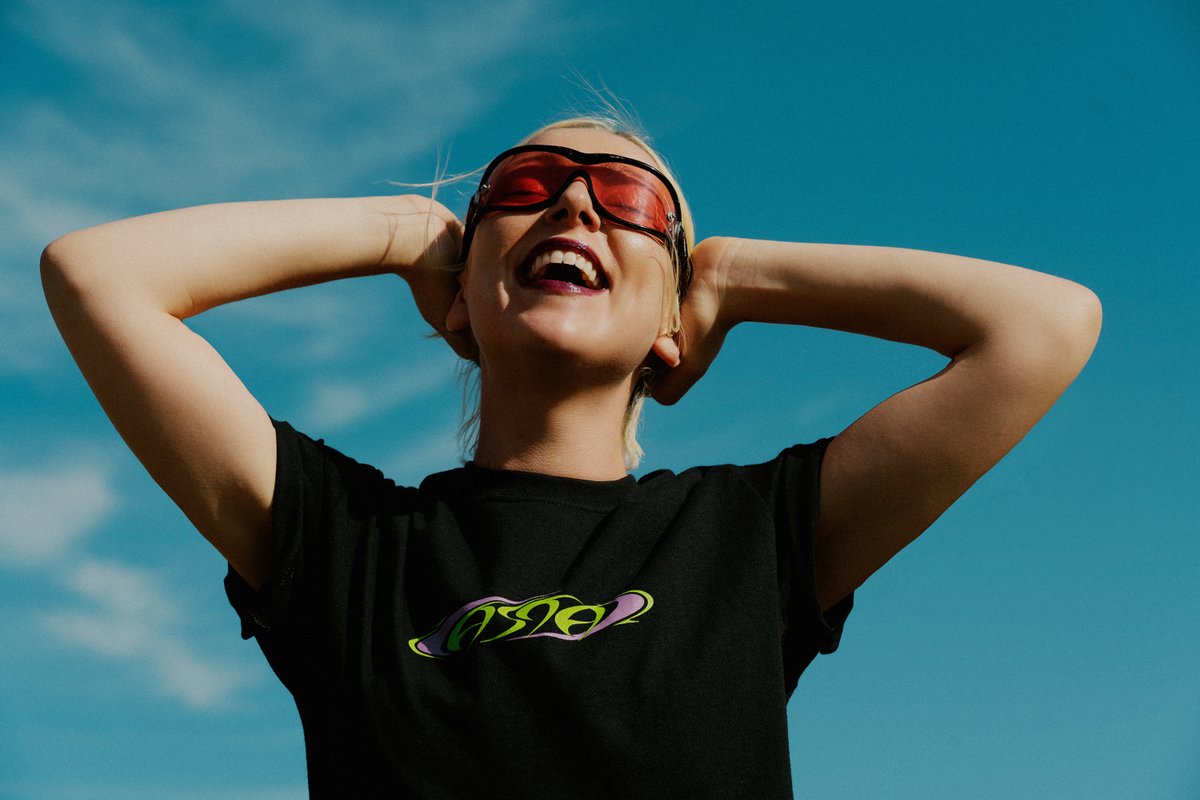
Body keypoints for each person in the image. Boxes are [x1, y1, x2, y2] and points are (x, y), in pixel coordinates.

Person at [40, 116, 1101, 798]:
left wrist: (736, 272)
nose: (578, 202)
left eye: (631, 201)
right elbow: (96, 275)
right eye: (528, 184)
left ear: (674, 324)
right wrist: (406, 229)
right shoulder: (343, 543)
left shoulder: (756, 540)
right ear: (462, 292)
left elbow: (1046, 327)